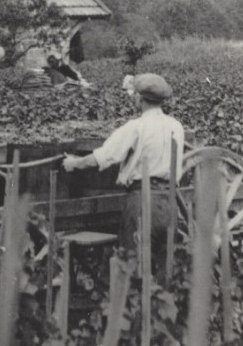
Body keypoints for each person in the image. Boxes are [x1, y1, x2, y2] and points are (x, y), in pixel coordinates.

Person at [61, 73, 185, 275]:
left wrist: (74, 163)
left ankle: (133, 303)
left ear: (139, 98)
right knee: (165, 270)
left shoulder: (136, 127)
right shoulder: (176, 126)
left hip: (142, 203)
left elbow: (103, 157)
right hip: (170, 203)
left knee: (132, 267)